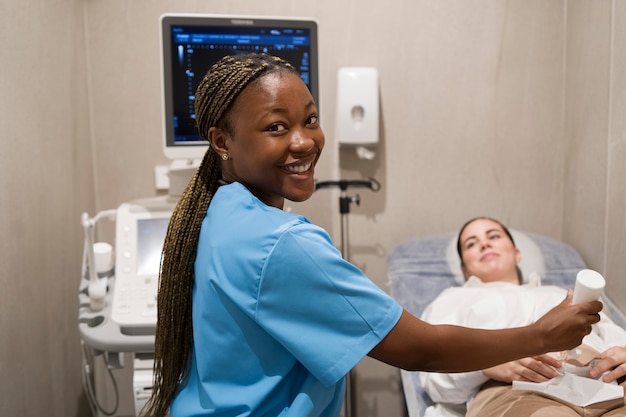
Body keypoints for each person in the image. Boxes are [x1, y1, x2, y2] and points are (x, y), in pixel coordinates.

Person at [141, 54, 601, 417]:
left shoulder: (219, 214)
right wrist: (541, 335)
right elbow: (421, 349)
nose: (304, 141)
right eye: (276, 127)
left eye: (311, 119)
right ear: (223, 141)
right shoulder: (279, 244)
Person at [420, 217, 626, 417]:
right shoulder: (452, 300)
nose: (484, 244)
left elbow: (613, 336)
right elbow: (434, 374)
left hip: (608, 386)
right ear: (464, 269)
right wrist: (485, 365)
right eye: (471, 244)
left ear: (517, 254)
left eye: (493, 236)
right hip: (516, 391)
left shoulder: (560, 293)